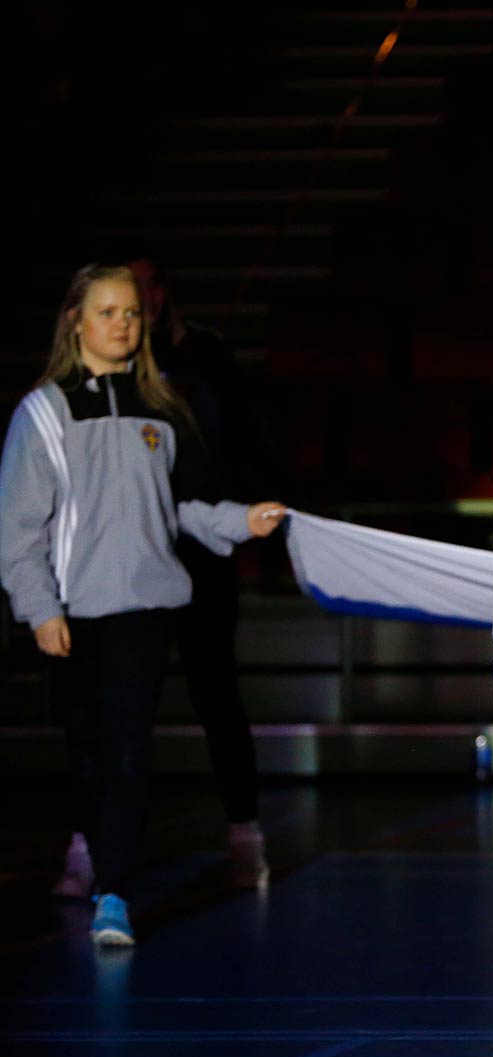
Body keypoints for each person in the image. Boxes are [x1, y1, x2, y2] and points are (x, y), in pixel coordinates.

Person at [0, 264, 286, 947]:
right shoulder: (43, 412)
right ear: (77, 319)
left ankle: (113, 895)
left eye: (130, 313)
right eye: (107, 312)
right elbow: (18, 529)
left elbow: (185, 507)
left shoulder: (164, 407)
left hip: (146, 611)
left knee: (129, 751)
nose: (122, 324)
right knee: (89, 755)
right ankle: (97, 864)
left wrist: (241, 521)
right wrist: (41, 609)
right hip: (71, 613)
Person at [122, 256, 271, 889]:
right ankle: (94, 851)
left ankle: (244, 831)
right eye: (126, 296)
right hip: (131, 561)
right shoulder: (111, 372)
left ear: (165, 292)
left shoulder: (205, 355)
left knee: (217, 692)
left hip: (205, 548)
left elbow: (238, 444)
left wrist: (242, 523)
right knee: (123, 706)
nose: (140, 303)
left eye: (149, 288)